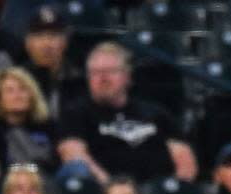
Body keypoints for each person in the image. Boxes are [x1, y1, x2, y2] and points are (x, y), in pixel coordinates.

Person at [57, 41, 197, 184]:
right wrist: (113, 189)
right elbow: (74, 156)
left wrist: (173, 191)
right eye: (95, 72)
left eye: (110, 71)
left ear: (127, 76)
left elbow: (184, 159)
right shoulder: (75, 114)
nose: (103, 78)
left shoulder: (156, 114)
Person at [0, 67, 59, 176]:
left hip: (45, 183)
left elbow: (54, 165)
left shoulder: (48, 126)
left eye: (23, 89)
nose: (18, 95)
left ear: (32, 95)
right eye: (10, 91)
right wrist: (25, 169)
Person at [21, 6, 79, 120]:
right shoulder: (18, 80)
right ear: (27, 43)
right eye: (39, 36)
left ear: (65, 42)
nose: (46, 44)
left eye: (54, 35)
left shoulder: (79, 80)